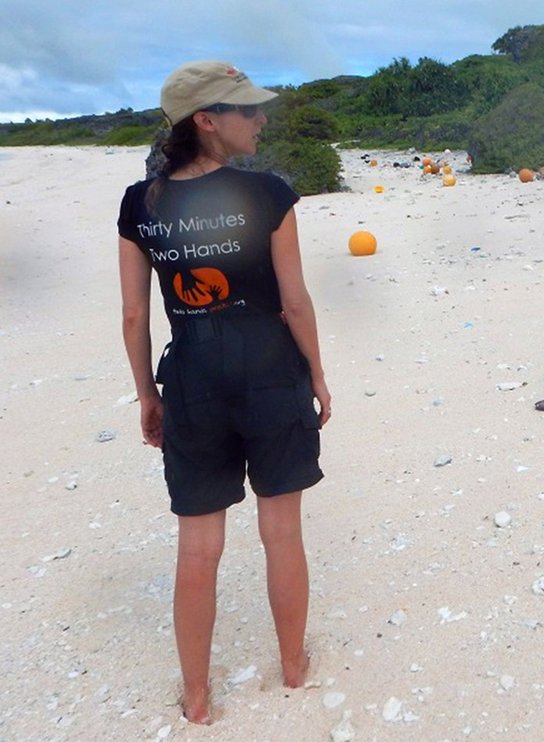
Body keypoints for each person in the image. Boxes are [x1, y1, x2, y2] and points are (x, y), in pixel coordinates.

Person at [117, 60, 331, 724]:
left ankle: (198, 698)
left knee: (198, 545)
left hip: (192, 380)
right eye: (246, 109)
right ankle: (293, 669)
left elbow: (133, 316)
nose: (259, 118)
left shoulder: (140, 202)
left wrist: (147, 396)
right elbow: (294, 302)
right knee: (282, 531)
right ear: (206, 121)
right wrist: (318, 375)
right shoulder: (268, 193)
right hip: (270, 375)